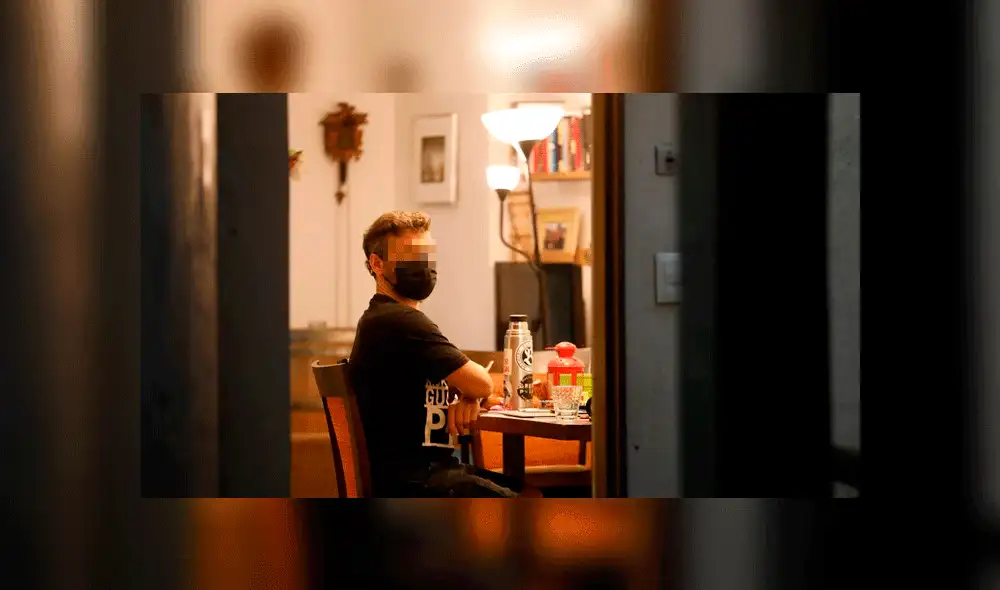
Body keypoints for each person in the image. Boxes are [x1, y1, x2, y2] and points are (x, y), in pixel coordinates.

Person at [349, 211, 532, 498]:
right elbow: (482, 382)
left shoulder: (389, 319)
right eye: (411, 256)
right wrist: (473, 389)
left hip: (429, 475)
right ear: (377, 264)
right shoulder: (398, 321)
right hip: (416, 484)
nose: (422, 267)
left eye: (427, 256)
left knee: (529, 491)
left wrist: (467, 395)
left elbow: (474, 386)